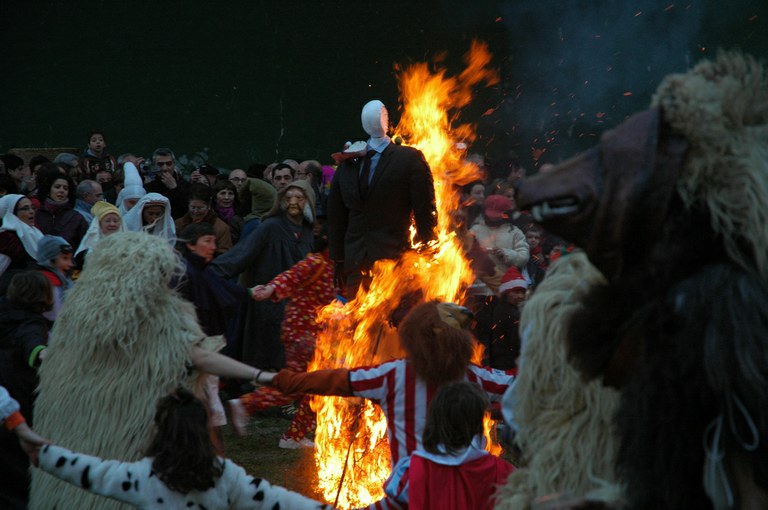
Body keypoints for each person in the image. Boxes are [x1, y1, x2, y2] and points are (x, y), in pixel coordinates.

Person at [29, 232, 267, 510]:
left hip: (87, 436)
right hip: (114, 432)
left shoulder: (79, 311)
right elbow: (196, 355)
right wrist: (262, 376)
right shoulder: (152, 314)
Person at [256, 301, 515, 468]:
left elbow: (335, 380)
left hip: (410, 489)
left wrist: (283, 379)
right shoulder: (475, 376)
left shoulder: (393, 374)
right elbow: (524, 385)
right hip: (463, 487)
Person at [34, 387, 330, 510]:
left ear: (161, 432)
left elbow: (87, 471)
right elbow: (275, 499)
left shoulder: (141, 477)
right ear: (203, 433)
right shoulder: (223, 475)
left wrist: (35, 446)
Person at [229, 230, 335, 447]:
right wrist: (270, 289)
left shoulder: (332, 264)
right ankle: (247, 404)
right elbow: (291, 275)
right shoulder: (316, 262)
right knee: (298, 385)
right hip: (302, 334)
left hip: (315, 334)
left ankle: (293, 436)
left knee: (315, 386)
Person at [328, 99, 437, 296]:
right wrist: (338, 258)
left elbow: (424, 208)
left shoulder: (408, 158)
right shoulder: (349, 162)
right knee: (357, 323)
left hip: (396, 262)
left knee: (393, 323)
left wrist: (428, 250)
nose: (375, 121)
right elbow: (336, 213)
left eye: (380, 115)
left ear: (387, 120)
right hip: (356, 263)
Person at [209, 180, 315, 369]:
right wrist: (207, 274)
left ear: (308, 202)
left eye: (299, 198)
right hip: (268, 303)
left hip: (298, 307)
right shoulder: (271, 227)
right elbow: (242, 253)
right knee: (264, 357)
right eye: (288, 197)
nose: (292, 202)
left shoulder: (309, 233)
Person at [175, 222, 253, 446]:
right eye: (207, 241)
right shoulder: (183, 273)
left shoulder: (202, 270)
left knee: (208, 393)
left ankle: (209, 446)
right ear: (191, 245)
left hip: (209, 344)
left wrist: (249, 292)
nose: (213, 246)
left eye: (214, 242)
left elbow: (223, 289)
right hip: (194, 348)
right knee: (203, 395)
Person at [384, 381, 514, 509]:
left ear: (435, 420)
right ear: (479, 425)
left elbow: (394, 504)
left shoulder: (412, 471)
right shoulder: (503, 472)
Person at [0, 271, 52, 509]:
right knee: (17, 468)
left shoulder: (4, 311)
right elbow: (34, 349)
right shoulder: (31, 324)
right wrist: (50, 356)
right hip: (16, 403)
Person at [0, 194, 44, 292]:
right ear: (14, 213)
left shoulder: (36, 233)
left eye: (32, 208)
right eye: (25, 208)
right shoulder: (8, 238)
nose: (31, 211)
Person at [34, 172, 89, 250]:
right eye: (57, 187)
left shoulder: (77, 218)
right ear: (49, 190)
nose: (61, 190)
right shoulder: (36, 214)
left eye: (65, 188)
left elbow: (85, 246)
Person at [487, 266, 528, 370]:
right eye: (516, 292)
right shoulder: (506, 312)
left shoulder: (512, 310)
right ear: (506, 293)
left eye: (522, 292)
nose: (521, 296)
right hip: (507, 365)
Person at [174, 184, 232, 256]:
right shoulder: (178, 224)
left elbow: (224, 255)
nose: (195, 211)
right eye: (193, 207)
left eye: (200, 208)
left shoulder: (221, 228)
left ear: (208, 206)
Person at [34, 236, 74, 322]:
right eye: (65, 258)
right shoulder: (50, 284)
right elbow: (56, 317)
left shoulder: (63, 279)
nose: (70, 264)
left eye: (71, 259)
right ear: (50, 260)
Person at [73, 201, 124, 268]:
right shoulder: (87, 250)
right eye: (107, 221)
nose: (112, 224)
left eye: (115, 221)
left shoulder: (127, 245)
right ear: (99, 224)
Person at [145, 148, 191, 219]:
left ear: (174, 164)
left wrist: (175, 188)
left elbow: (188, 209)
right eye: (160, 164)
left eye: (169, 164)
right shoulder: (149, 187)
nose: (165, 168)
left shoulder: (185, 185)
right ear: (154, 165)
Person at [212, 179, 245, 244]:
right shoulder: (210, 215)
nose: (227, 197)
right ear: (215, 197)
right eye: (223, 193)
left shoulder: (241, 216)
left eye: (230, 194)